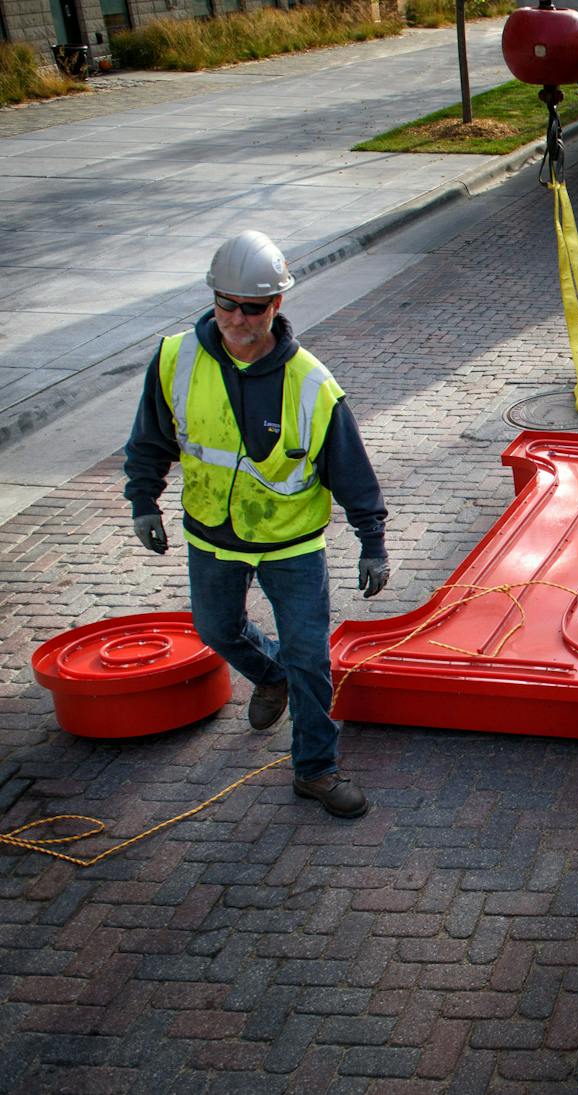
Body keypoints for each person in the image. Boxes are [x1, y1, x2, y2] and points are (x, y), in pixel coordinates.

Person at [123, 230, 389, 819]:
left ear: (277, 305)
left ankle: (315, 770)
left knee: (310, 657)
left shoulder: (313, 386)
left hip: (290, 543)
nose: (237, 319)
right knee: (217, 630)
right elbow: (150, 438)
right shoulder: (176, 357)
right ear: (214, 297)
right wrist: (143, 500)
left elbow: (351, 470)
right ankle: (270, 677)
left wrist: (372, 540)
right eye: (226, 304)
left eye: (252, 307)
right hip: (211, 534)